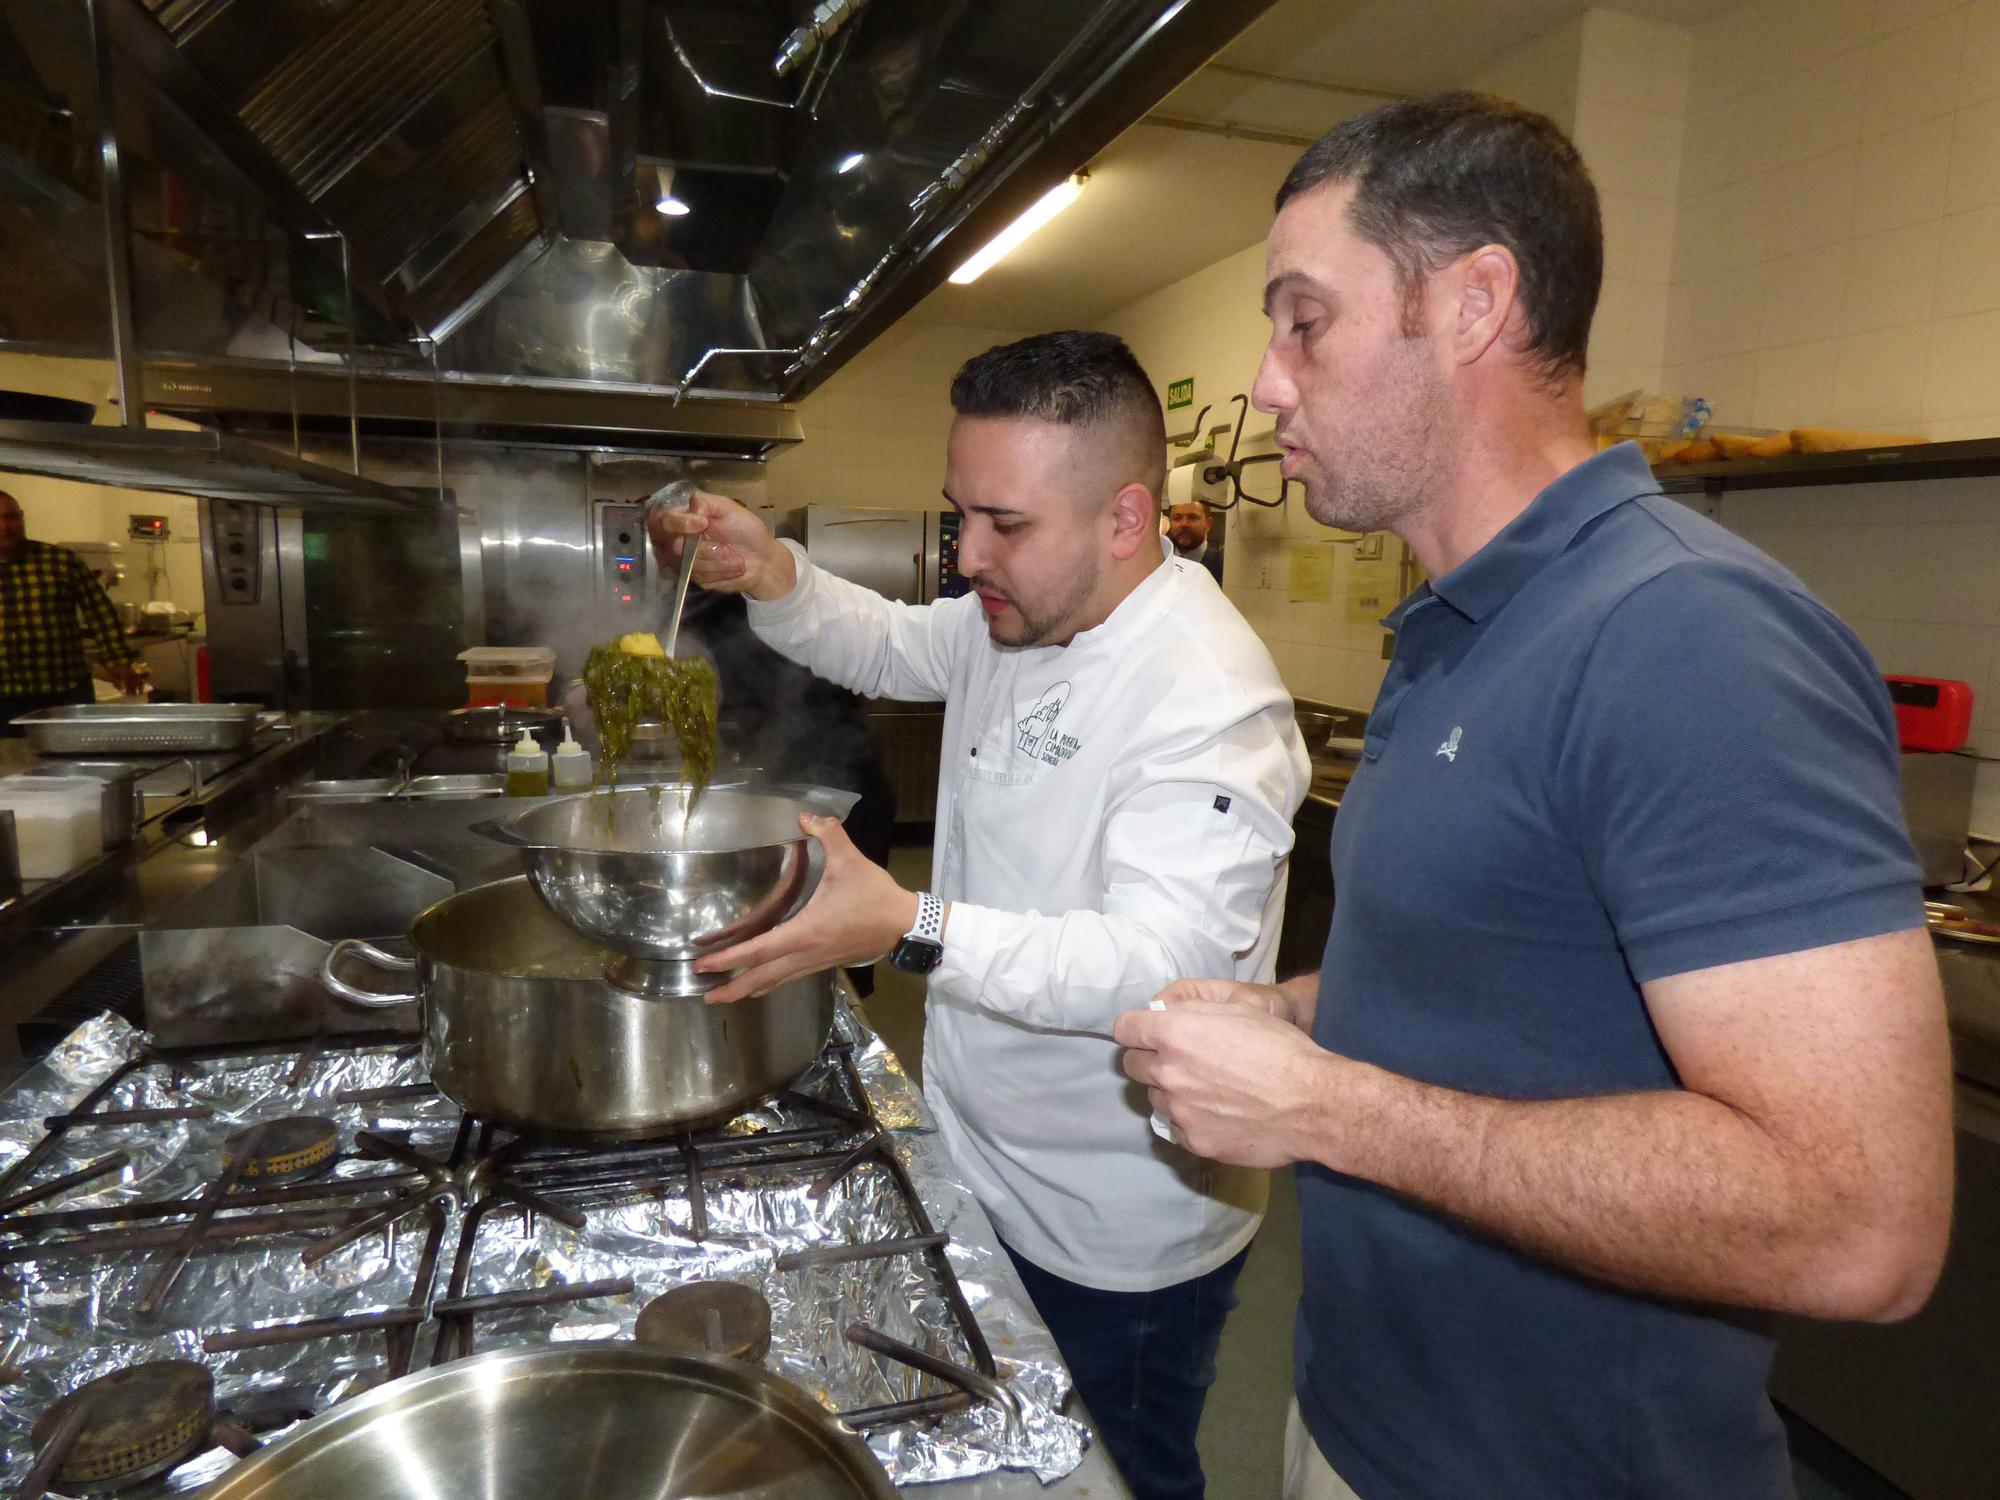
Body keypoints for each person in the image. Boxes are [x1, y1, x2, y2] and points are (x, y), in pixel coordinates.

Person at [1114, 93, 1954, 1500]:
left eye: (1304, 319)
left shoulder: (1687, 635)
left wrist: (1330, 1109)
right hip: (1363, 1424)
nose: (1267, 382)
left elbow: (1860, 1225)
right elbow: (1510, 979)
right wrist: (1292, 1016)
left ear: (1473, 304)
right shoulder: (1454, 626)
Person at [650, 330, 1309, 1500]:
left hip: (1116, 1224)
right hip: (979, 1159)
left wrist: (906, 922)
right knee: (1010, 1456)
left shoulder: (1205, 696)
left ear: (1123, 518)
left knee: (1119, 1469)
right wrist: (771, 574)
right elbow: (893, 641)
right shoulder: (1015, 615)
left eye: (1005, 523)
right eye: (960, 513)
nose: (968, 554)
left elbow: (1156, 968)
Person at [0, 490, 144, 734]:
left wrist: (119, 661)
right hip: (3, 698)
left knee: (73, 762)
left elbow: (99, 612)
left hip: (63, 690)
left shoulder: (59, 561)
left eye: (11, 517)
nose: (5, 526)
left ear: (22, 518)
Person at [1165, 496, 1223, 583]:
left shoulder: (1224, 566)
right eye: (1177, 518)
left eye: (1192, 517)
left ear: (1208, 524)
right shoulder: (1160, 562)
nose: (1184, 524)